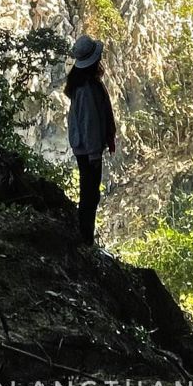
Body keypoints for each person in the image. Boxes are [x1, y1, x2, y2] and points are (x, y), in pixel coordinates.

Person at [64, 34, 117, 246]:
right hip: (88, 149)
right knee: (90, 194)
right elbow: (90, 122)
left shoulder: (82, 84)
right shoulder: (86, 88)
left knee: (89, 192)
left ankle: (85, 237)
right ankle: (85, 239)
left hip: (85, 147)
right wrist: (94, 152)